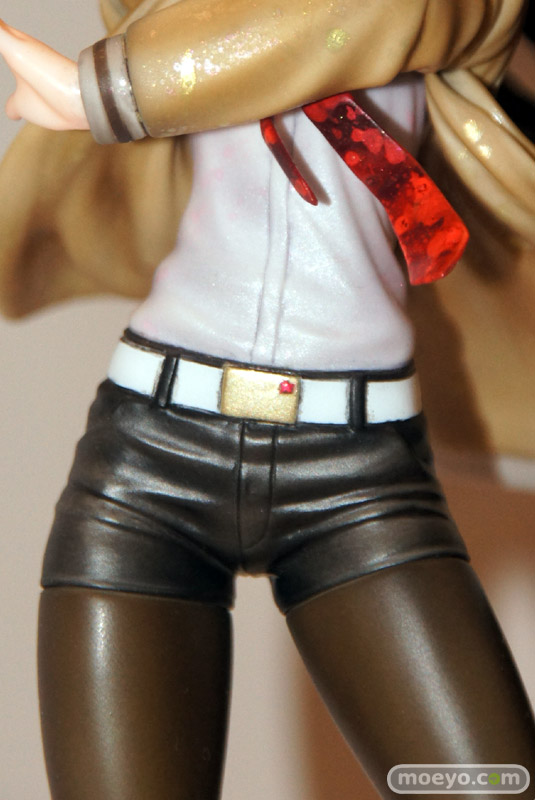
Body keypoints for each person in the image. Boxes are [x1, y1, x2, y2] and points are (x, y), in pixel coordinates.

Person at [1, 2, 535, 799]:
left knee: (489, 780)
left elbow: (358, 22)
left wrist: (107, 92)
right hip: (148, 461)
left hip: (361, 479)